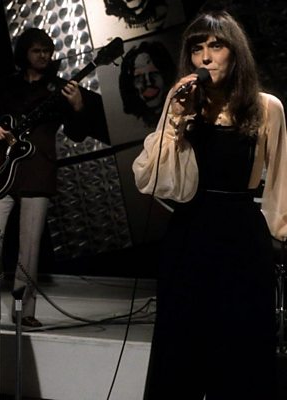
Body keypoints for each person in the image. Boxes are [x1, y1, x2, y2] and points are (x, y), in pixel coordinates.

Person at [132, 9, 286, 400]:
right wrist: (174, 122)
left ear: (235, 53)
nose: (205, 57)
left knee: (241, 349)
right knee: (181, 348)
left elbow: (280, 182)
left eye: (216, 46)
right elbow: (152, 179)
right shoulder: (184, 108)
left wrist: (280, 235)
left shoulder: (266, 107)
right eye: (197, 48)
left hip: (241, 236)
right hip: (190, 234)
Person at [0, 28, 107, 328]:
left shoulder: (60, 88)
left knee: (29, 251)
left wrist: (78, 106)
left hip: (36, 171)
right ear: (25, 53)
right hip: (1, 173)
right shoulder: (7, 85)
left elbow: (77, 134)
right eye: (37, 50)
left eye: (47, 50)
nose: (44, 55)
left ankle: (23, 311)